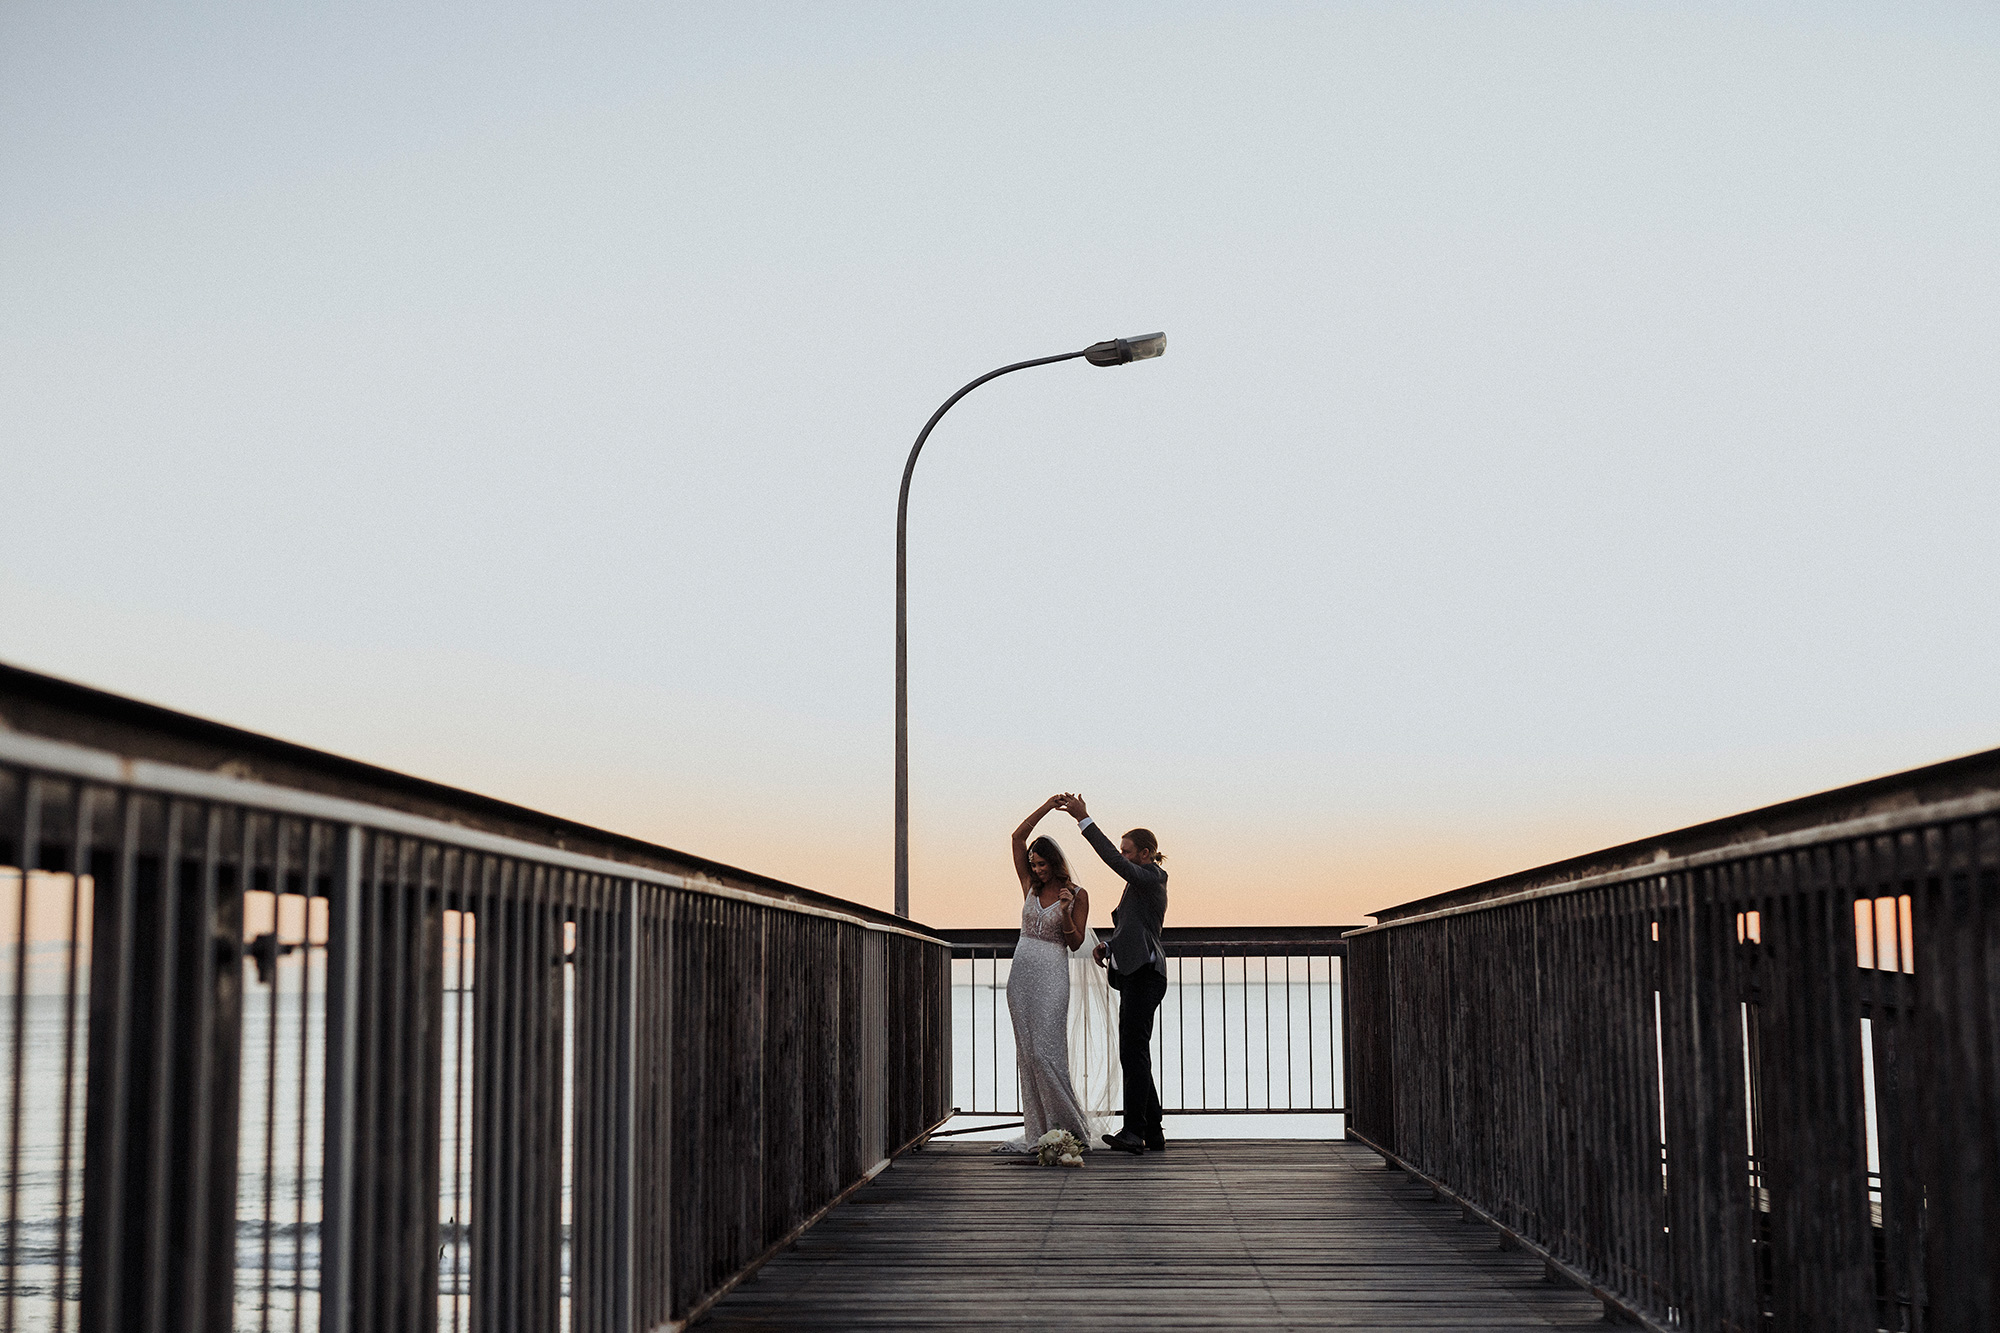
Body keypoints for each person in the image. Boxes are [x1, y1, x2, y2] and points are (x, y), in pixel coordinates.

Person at [994, 795, 1116, 1153]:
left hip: (1052, 972)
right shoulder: (1029, 886)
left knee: (1049, 1054)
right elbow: (1017, 838)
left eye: (1042, 864)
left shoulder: (1077, 894)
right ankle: (1040, 1132)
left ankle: (1070, 1129)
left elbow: (1077, 943)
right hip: (1021, 974)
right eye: (1033, 864)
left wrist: (1064, 912)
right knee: (1028, 1055)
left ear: (1056, 863)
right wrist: (1047, 806)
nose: (1037, 869)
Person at [1059, 793, 1169, 1155]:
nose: (1123, 856)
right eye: (1121, 850)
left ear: (1145, 854)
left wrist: (1084, 820)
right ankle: (1151, 1131)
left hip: (1145, 976)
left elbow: (1114, 864)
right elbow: (1135, 927)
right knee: (1134, 1052)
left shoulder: (1149, 877)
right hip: (1137, 974)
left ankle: (1135, 1131)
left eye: (1127, 851)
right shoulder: (1141, 885)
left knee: (1133, 1052)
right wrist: (1111, 946)